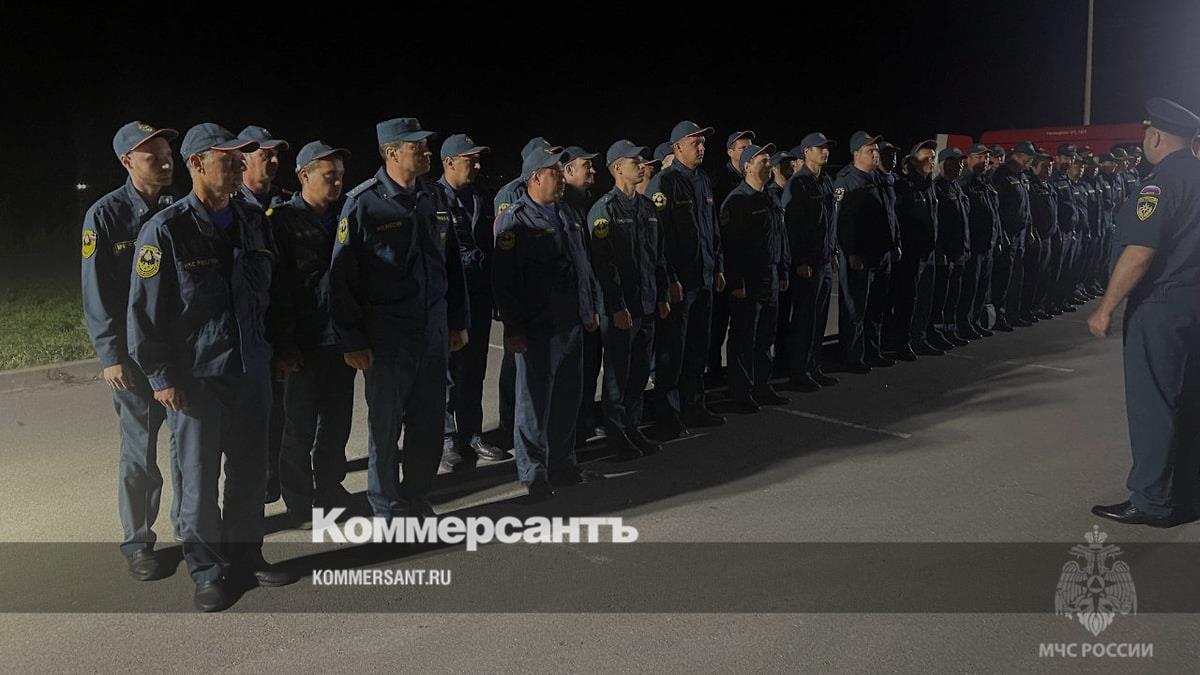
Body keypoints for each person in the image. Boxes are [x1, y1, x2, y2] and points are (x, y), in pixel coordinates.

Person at [128, 123, 295, 612]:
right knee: (198, 480)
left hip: (251, 369)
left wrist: (279, 350)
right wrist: (161, 377)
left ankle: (246, 557)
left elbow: (273, 293)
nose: (241, 165)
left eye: (244, 157)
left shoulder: (252, 219)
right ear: (197, 164)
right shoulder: (166, 229)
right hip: (197, 377)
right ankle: (206, 570)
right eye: (229, 158)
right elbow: (144, 315)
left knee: (250, 471)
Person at [328, 117, 469, 518]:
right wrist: (352, 339)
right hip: (388, 335)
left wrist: (457, 320)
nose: (426, 152)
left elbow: (451, 263)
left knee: (428, 421)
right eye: (416, 147)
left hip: (432, 331)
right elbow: (341, 278)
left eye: (426, 145)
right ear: (391, 153)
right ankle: (388, 507)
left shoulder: (433, 197)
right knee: (386, 427)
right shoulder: (363, 203)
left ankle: (417, 494)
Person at [1089, 98, 1200, 528]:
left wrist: (1106, 308)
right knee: (1189, 400)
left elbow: (1139, 252)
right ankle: (1187, 493)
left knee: (1154, 402)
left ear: (1154, 137)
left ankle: (1153, 500)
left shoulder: (1160, 185)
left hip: (1162, 306)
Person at [81, 120, 180, 581]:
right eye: (153, 156)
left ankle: (193, 528)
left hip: (178, 351)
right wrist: (109, 355)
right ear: (127, 162)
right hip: (132, 356)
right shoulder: (105, 215)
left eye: (168, 154)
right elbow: (96, 291)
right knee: (140, 452)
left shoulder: (179, 207)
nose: (166, 162)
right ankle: (139, 542)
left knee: (187, 448)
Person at [492, 146, 604, 501]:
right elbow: (505, 281)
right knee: (534, 404)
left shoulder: (567, 212)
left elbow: (583, 266)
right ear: (536, 177)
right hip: (538, 328)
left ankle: (563, 464)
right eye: (555, 172)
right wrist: (514, 328)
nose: (561, 178)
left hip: (571, 323)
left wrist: (589, 309)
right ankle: (534, 473)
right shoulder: (516, 219)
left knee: (567, 400)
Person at [266, 141, 356, 523]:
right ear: (304, 176)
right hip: (302, 343)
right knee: (298, 426)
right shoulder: (281, 221)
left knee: (337, 422)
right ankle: (299, 500)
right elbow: (276, 289)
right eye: (329, 175)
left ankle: (331, 487)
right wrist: (284, 346)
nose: (337, 183)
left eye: (340, 176)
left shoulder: (347, 214)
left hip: (341, 339)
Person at [587, 140, 670, 459]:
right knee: (617, 376)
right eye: (635, 161)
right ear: (618, 168)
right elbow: (604, 266)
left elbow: (658, 256)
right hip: (621, 310)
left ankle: (633, 428)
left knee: (638, 375)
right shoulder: (604, 210)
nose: (642, 165)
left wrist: (662, 294)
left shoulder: (647, 208)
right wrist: (616, 306)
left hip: (646, 304)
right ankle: (617, 435)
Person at [720, 143, 790, 412]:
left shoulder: (770, 197)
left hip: (769, 275)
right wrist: (736, 281)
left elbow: (780, 237)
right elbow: (731, 246)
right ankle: (741, 392)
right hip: (748, 279)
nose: (769, 165)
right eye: (763, 161)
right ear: (747, 166)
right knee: (744, 337)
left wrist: (782, 269)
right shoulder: (737, 201)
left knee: (765, 336)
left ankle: (762, 385)